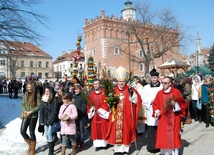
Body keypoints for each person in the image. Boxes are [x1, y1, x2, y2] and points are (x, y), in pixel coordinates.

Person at [105, 66, 142, 155]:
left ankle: (125, 150)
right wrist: (110, 102)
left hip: (127, 116)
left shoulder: (130, 90)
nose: (121, 83)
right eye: (120, 81)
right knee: (116, 132)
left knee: (126, 132)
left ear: (125, 81)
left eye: (123, 81)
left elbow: (137, 100)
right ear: (117, 82)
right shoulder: (113, 91)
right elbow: (107, 103)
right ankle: (117, 150)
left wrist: (132, 95)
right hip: (116, 116)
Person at [152, 76, 187, 155]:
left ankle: (174, 153)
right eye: (162, 83)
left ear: (170, 84)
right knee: (163, 136)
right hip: (163, 119)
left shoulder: (176, 92)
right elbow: (155, 104)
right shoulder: (159, 93)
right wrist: (157, 111)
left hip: (174, 118)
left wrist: (175, 104)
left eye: (165, 83)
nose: (163, 84)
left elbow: (183, 104)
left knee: (174, 136)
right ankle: (164, 152)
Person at [141, 69, 163, 153]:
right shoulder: (146, 87)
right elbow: (143, 98)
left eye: (155, 77)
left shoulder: (161, 87)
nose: (153, 79)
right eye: (152, 77)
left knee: (159, 129)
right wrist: (151, 100)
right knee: (151, 129)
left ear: (157, 78)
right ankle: (151, 147)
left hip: (160, 110)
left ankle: (159, 146)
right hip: (150, 110)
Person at [87, 79, 110, 151]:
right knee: (95, 130)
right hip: (95, 115)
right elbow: (88, 105)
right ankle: (97, 145)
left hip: (101, 114)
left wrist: (100, 109)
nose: (95, 85)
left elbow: (106, 103)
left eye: (97, 84)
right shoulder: (91, 94)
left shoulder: (104, 93)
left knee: (103, 128)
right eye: (94, 84)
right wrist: (91, 108)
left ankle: (104, 144)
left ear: (100, 84)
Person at [20, 81, 41, 155]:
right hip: (26, 115)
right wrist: (24, 110)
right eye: (27, 87)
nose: (28, 89)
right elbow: (22, 104)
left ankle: (33, 150)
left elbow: (39, 106)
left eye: (30, 87)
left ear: (33, 88)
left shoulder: (37, 95)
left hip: (33, 116)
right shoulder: (26, 94)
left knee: (32, 132)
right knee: (22, 131)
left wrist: (31, 111)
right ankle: (30, 145)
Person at [39, 86, 55, 155]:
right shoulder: (43, 99)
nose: (47, 93)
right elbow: (41, 111)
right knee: (46, 135)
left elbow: (54, 111)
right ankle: (51, 146)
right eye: (45, 91)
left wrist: (50, 120)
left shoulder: (53, 99)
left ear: (50, 92)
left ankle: (51, 152)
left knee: (49, 134)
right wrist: (41, 121)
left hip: (51, 120)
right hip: (45, 120)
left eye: (48, 91)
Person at [73, 83, 87, 150]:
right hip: (75, 117)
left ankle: (82, 143)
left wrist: (78, 114)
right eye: (75, 89)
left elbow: (84, 107)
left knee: (81, 131)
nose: (76, 91)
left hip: (81, 116)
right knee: (75, 131)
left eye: (78, 89)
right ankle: (77, 141)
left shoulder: (83, 96)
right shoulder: (73, 97)